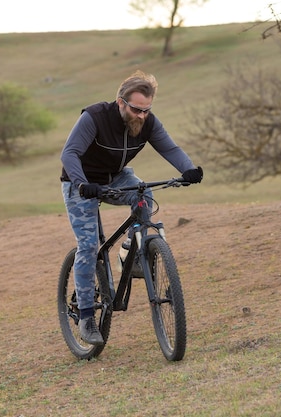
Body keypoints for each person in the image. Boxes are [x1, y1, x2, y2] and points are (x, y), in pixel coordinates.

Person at [60, 70, 203, 345]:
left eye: (147, 110)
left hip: (114, 179)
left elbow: (169, 148)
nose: (142, 116)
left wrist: (188, 170)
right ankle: (87, 315)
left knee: (143, 193)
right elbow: (69, 153)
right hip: (80, 184)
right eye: (137, 110)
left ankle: (134, 253)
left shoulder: (147, 122)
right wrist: (81, 184)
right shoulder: (95, 117)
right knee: (89, 246)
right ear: (121, 102)